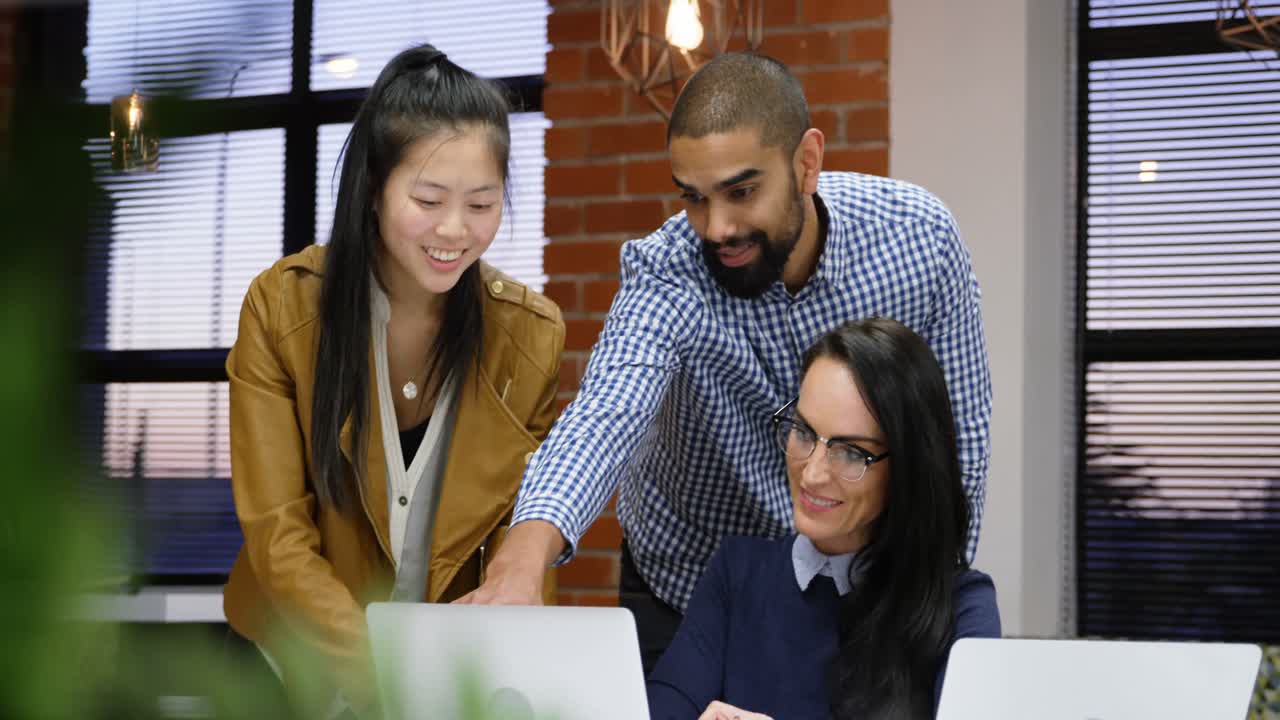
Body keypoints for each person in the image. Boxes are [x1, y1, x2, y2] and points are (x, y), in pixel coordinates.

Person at [463, 51, 992, 673]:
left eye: (742, 192)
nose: (716, 228)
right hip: (687, 583)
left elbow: (954, 444)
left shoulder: (918, 241)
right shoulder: (670, 270)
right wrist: (521, 560)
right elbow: (607, 413)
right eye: (693, 198)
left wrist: (924, 588)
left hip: (864, 582)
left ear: (806, 163)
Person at [221, 44, 563, 719]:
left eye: (482, 203)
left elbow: (525, 534)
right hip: (286, 662)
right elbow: (277, 534)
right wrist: (386, 666)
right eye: (429, 199)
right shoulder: (283, 307)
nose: (455, 230)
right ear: (375, 189)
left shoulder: (530, 336)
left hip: (435, 682)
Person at [647, 318, 1001, 720]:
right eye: (803, 431)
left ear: (909, 466)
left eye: (851, 452)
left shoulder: (961, 606)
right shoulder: (737, 573)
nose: (812, 473)